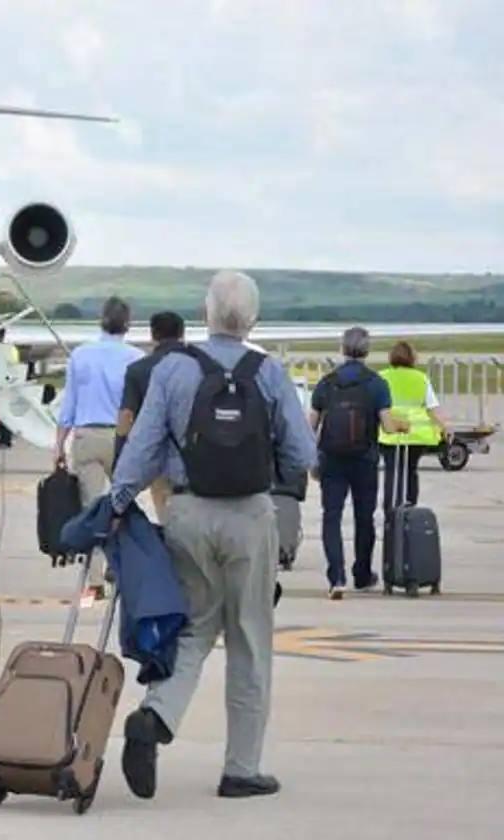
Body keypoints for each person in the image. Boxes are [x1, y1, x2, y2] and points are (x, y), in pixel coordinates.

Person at [107, 270, 315, 801]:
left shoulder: (174, 369)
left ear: (205, 315)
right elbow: (302, 456)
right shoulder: (268, 372)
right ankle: (241, 768)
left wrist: (117, 501)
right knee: (249, 637)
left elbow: (144, 447)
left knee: (194, 627)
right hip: (249, 515)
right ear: (253, 320)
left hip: (187, 512)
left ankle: (155, 716)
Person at [55, 296, 145, 597]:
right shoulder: (135, 358)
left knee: (91, 508)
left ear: (100, 320)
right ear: (128, 324)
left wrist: (58, 445)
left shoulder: (81, 355)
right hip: (122, 439)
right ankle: (120, 568)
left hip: (86, 436)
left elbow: (69, 405)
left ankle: (93, 579)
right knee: (123, 507)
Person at [309, 327, 408, 599]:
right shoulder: (376, 383)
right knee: (364, 518)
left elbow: (311, 426)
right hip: (364, 459)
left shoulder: (327, 383)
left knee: (331, 516)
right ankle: (362, 575)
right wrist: (401, 426)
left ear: (342, 349)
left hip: (331, 458)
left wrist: (310, 459)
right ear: (367, 350)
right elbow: (387, 426)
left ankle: (336, 576)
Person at [115, 311, 185, 524]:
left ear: (152, 336)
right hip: (194, 457)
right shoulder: (199, 365)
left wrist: (120, 455)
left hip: (157, 457)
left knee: (167, 519)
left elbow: (126, 418)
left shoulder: (138, 370)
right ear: (182, 334)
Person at [379, 341, 449, 516]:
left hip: (390, 434)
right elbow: (433, 407)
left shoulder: (382, 377)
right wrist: (446, 427)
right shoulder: (421, 378)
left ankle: (390, 511)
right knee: (410, 471)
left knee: (392, 472)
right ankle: (409, 509)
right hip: (416, 435)